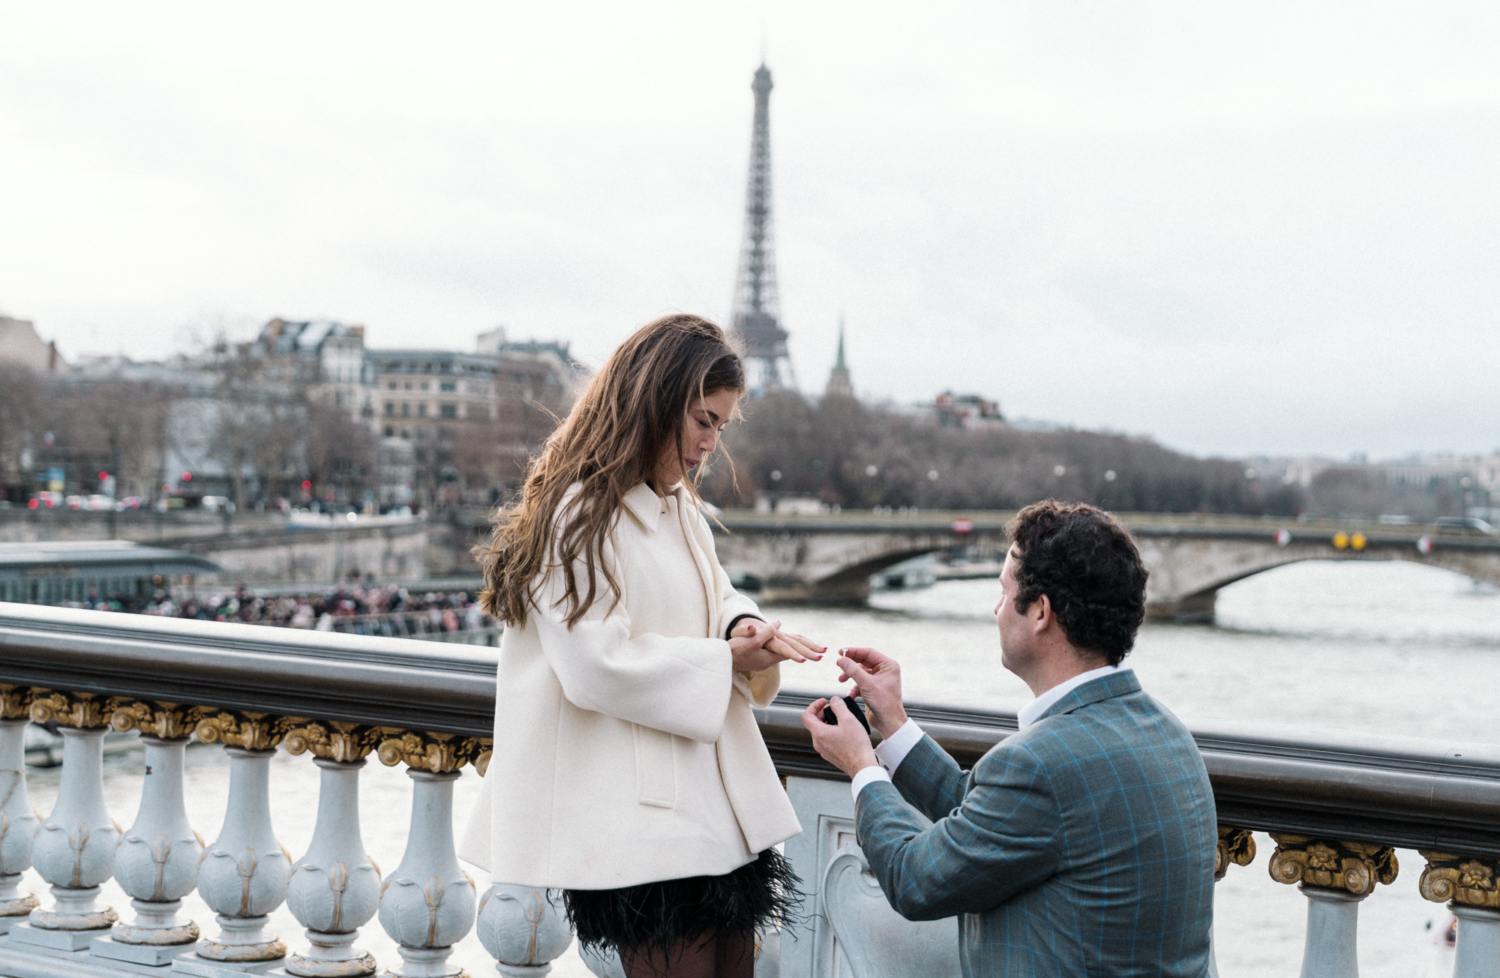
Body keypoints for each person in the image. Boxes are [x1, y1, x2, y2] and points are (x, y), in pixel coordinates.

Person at [459, 314, 823, 978]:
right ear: (654, 405)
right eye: (702, 420)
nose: (711, 442)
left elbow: (713, 594)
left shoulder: (676, 504)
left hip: (705, 805)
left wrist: (741, 627)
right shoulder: (576, 515)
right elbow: (593, 667)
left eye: (720, 425)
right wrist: (726, 660)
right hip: (642, 817)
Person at [801, 500, 1216, 977]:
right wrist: (892, 724)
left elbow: (914, 879)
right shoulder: (1168, 732)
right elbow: (992, 820)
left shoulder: (1041, 765)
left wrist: (862, 768)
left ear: (1040, 612)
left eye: (1003, 591)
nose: (996, 609)